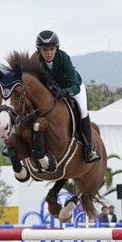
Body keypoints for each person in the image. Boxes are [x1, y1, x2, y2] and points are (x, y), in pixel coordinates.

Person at [33, 30, 101, 164]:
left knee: (82, 111)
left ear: (56, 48)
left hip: (73, 87)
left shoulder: (64, 59)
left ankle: (89, 148)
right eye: (45, 49)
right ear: (39, 50)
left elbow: (74, 85)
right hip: (51, 91)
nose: (48, 52)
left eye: (52, 49)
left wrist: (65, 92)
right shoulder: (35, 60)